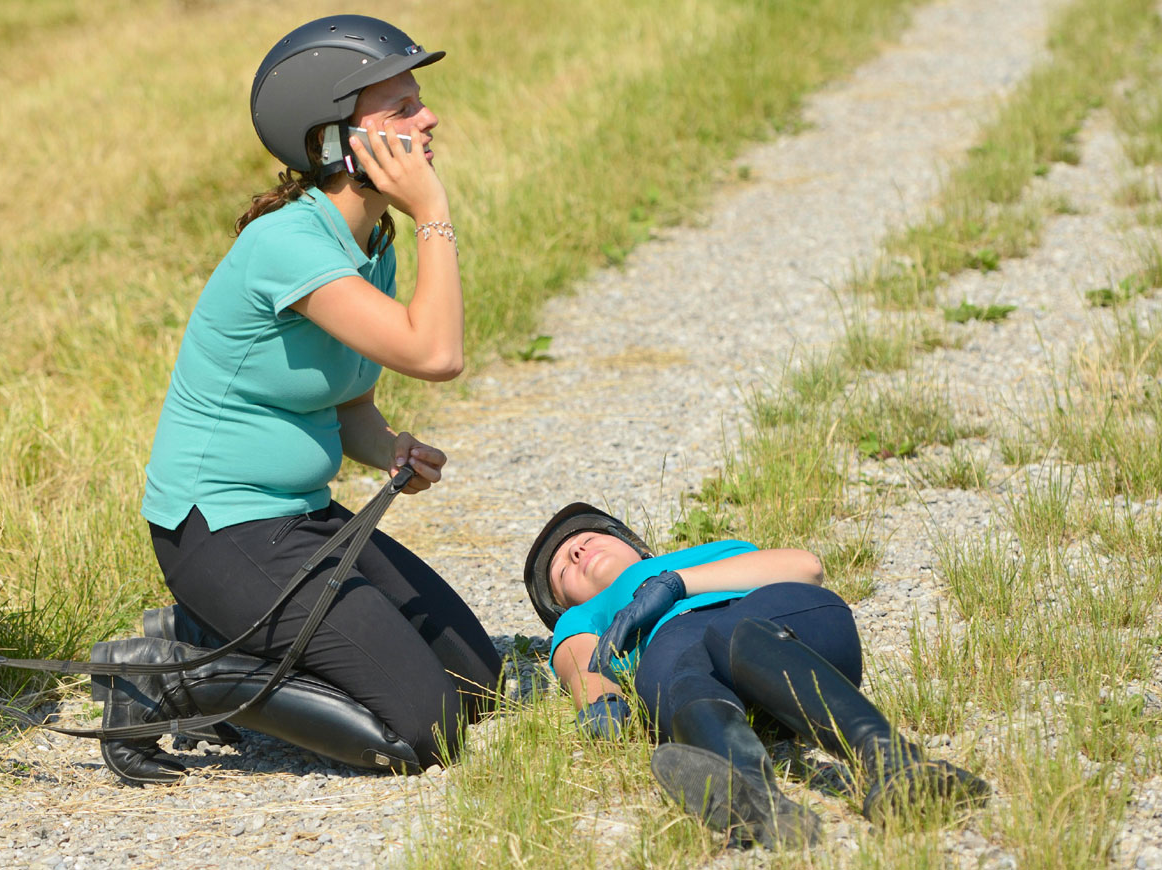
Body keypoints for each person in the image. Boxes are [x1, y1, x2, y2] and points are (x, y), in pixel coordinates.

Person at [86, 14, 501, 786]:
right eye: (402, 108)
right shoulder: (288, 246)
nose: (429, 117)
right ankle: (161, 677)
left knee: (477, 682)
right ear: (334, 140)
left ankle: (213, 633)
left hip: (300, 520)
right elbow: (436, 354)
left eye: (421, 100)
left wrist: (387, 447)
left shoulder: (370, 241)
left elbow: (346, 401)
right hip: (222, 528)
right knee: (425, 727)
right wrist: (434, 210)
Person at [525, 502, 988, 848]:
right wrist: (601, 703)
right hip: (677, 647)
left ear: (634, 544)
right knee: (674, 676)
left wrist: (675, 583)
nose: (579, 550)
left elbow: (805, 567)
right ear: (563, 604)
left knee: (732, 632)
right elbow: (579, 661)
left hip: (783, 622)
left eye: (586, 537)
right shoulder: (586, 615)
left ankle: (895, 762)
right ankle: (757, 801)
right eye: (563, 566)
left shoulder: (708, 554)